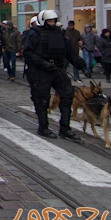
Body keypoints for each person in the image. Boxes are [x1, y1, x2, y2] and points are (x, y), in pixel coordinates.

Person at [23, 10, 86, 141]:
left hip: (57, 68)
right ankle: (43, 127)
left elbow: (69, 51)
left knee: (67, 95)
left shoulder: (60, 33)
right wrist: (43, 63)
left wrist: (81, 64)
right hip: (41, 70)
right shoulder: (35, 34)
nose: (52, 23)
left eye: (53, 21)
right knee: (42, 98)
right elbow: (28, 53)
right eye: (49, 21)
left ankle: (65, 127)